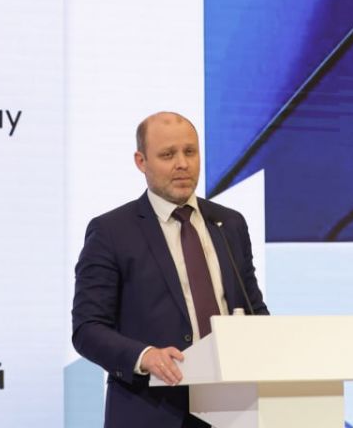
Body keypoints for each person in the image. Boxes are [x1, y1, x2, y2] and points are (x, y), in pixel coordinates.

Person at [72, 112, 268, 428]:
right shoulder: (111, 231)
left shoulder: (228, 224)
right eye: (167, 155)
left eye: (190, 152)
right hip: (153, 410)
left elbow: (254, 310)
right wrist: (144, 356)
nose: (182, 164)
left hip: (234, 411)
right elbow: (87, 328)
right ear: (141, 161)